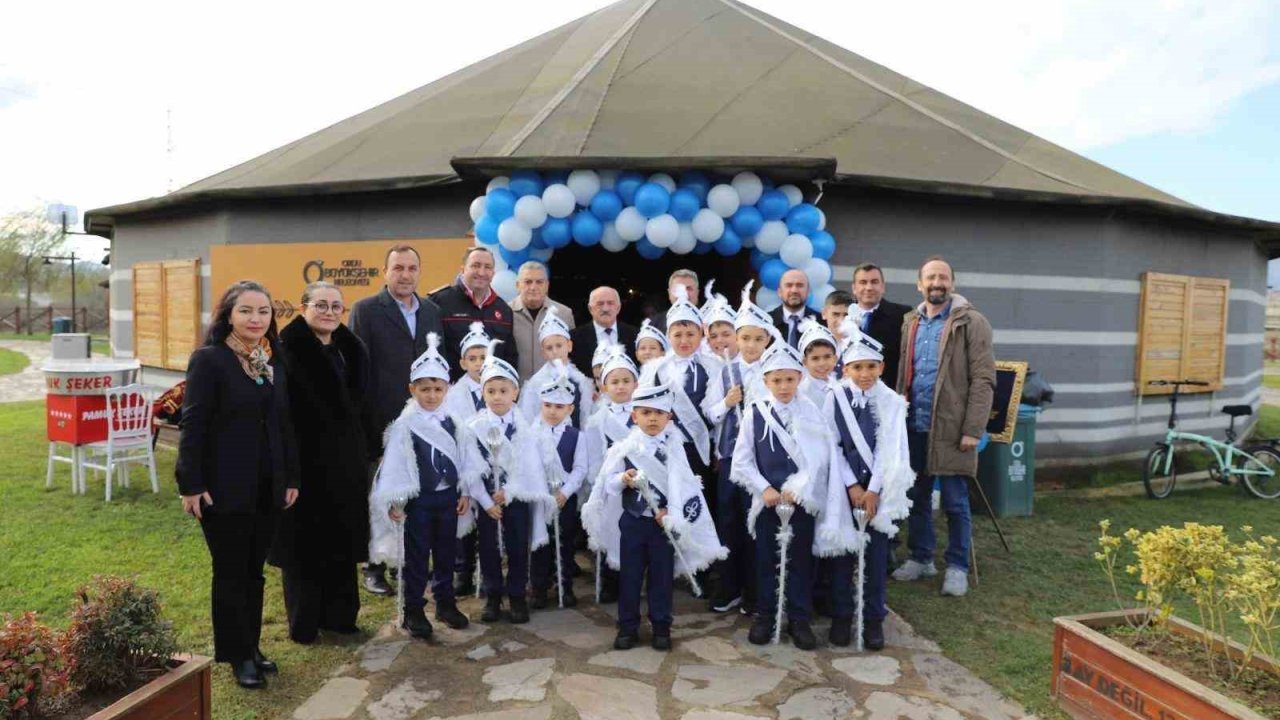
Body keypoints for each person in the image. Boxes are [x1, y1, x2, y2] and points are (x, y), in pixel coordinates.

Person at [177, 280, 300, 689]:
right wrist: (190, 484)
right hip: (223, 488)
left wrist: (291, 478)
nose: (255, 319)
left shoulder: (271, 360)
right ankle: (236, 655)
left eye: (263, 311)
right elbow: (192, 423)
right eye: (246, 310)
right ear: (229, 314)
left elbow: (284, 425)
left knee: (254, 573)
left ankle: (252, 645)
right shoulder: (209, 360)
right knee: (230, 573)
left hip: (267, 487)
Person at [584, 381, 726, 652]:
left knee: (662, 579)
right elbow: (606, 484)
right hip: (634, 523)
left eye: (658, 413)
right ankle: (628, 627)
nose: (652, 418)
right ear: (634, 416)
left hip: (662, 527)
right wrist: (622, 479)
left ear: (668, 416)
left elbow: (683, 487)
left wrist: (671, 513)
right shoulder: (625, 448)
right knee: (630, 577)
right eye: (645, 412)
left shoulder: (675, 448)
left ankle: (661, 626)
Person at [273, 282, 372, 645]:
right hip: (305, 464)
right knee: (304, 549)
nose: (329, 312)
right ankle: (305, 623)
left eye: (336, 307)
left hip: (344, 464)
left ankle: (340, 617)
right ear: (303, 308)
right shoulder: (287, 350)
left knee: (342, 543)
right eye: (321, 305)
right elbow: (282, 413)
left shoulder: (351, 349)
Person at [893, 257, 995, 598]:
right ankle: (922, 558)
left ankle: (956, 566)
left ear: (952, 283)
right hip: (915, 426)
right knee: (917, 497)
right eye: (931, 277)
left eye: (943, 277)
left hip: (953, 429)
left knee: (955, 502)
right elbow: (902, 375)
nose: (937, 282)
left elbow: (983, 379)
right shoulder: (911, 321)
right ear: (919, 284)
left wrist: (973, 429)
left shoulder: (972, 322)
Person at [350, 244, 445, 597]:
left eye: (411, 268)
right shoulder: (366, 310)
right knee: (380, 495)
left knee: (417, 494)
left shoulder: (432, 311)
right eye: (398, 268)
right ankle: (374, 567)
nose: (405, 275)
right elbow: (358, 370)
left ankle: (413, 562)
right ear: (385, 272)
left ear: (419, 272)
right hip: (381, 420)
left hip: (423, 420)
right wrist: (365, 423)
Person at [367, 334, 476, 640]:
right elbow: (396, 465)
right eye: (424, 389)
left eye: (437, 389)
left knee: (446, 552)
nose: (431, 395)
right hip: (419, 501)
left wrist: (464, 490)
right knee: (416, 557)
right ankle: (413, 608)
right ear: (412, 389)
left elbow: (466, 459)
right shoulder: (406, 424)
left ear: (447, 389)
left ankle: (445, 602)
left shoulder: (454, 422)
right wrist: (397, 500)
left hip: (448, 499)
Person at [819, 320, 915, 649]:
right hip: (845, 489)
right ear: (845, 368)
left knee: (874, 558)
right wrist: (851, 486)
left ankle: (873, 619)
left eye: (871, 367)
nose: (864, 374)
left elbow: (891, 449)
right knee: (844, 555)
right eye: (857, 367)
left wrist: (872, 489)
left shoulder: (891, 402)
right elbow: (831, 443)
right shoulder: (835, 397)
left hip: (878, 490)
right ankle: (842, 616)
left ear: (881, 367)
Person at [732, 341, 829, 650]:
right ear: (766, 381)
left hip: (800, 502)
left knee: (800, 559)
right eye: (776, 380)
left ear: (799, 378)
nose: (783, 386)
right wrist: (765, 489)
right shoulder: (756, 412)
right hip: (768, 502)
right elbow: (742, 460)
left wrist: (798, 489)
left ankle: (799, 618)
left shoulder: (811, 411)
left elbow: (819, 459)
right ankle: (766, 614)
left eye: (789, 379)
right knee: (765, 559)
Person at [463, 343, 551, 624]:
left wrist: (510, 492)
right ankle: (492, 595)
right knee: (488, 548)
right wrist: (487, 501)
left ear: (515, 392)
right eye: (491, 391)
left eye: (504, 391)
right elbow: (470, 468)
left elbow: (529, 467)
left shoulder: (526, 428)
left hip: (516, 499)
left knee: (516, 548)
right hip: (488, 501)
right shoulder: (473, 427)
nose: (498, 397)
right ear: (482, 393)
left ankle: (516, 595)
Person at [707, 283, 773, 616]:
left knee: (756, 525)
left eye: (757, 339)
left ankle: (755, 592)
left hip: (762, 463)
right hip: (731, 459)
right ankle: (729, 586)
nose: (750, 345)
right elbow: (711, 414)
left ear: (768, 341)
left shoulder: (775, 373)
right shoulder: (726, 371)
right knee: (729, 521)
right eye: (744, 338)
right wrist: (726, 402)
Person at [583, 346, 641, 604]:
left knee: (637, 533)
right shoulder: (597, 420)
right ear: (604, 387)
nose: (620, 387)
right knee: (610, 530)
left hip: (640, 482)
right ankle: (610, 580)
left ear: (636, 383)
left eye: (626, 380)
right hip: (611, 485)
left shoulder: (643, 414)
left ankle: (635, 578)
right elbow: (594, 457)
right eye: (614, 382)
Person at [528, 362, 586, 609]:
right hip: (541, 497)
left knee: (564, 541)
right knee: (540, 542)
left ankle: (564, 584)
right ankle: (539, 587)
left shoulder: (577, 436)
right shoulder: (531, 434)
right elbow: (528, 467)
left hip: (564, 497)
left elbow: (580, 469)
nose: (552, 411)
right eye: (548, 405)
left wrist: (565, 492)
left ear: (570, 408)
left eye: (559, 406)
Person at [431, 247, 517, 379]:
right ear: (463, 269)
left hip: (492, 394)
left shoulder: (503, 309)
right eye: (476, 266)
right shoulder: (439, 302)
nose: (481, 272)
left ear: (493, 272)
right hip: (452, 392)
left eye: (487, 267)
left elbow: (509, 356)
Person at [518, 307, 594, 428]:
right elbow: (528, 418)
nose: (555, 351)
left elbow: (585, 415)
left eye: (559, 345)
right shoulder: (536, 383)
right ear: (543, 352)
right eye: (549, 348)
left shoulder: (580, 380)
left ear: (569, 346)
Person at [510, 261, 576, 382]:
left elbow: (572, 356)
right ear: (517, 285)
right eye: (528, 282)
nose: (533, 287)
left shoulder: (564, 314)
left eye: (539, 282)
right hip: (516, 392)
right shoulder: (506, 313)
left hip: (554, 392)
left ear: (547, 285)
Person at [851, 263, 912, 387]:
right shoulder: (841, 315)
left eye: (874, 282)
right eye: (863, 282)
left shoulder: (903, 315)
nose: (869, 287)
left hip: (888, 394)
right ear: (854, 288)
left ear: (883, 287)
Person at [570, 286, 638, 377]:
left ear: (618, 308)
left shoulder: (636, 335)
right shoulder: (574, 338)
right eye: (600, 304)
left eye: (610, 303)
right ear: (590, 309)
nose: (605, 308)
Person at [444, 322, 491, 422]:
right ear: (463, 364)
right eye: (472, 359)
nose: (479, 363)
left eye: (483, 358)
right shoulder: (453, 395)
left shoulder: (502, 387)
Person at [769, 269, 821, 349]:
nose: (794, 290)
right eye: (789, 285)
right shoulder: (767, 322)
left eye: (800, 285)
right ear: (779, 292)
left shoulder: (821, 323)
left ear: (808, 291)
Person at [797, 318, 839, 408]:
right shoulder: (800, 393)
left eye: (827, 357)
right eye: (815, 358)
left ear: (835, 358)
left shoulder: (841, 388)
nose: (822, 363)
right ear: (805, 362)